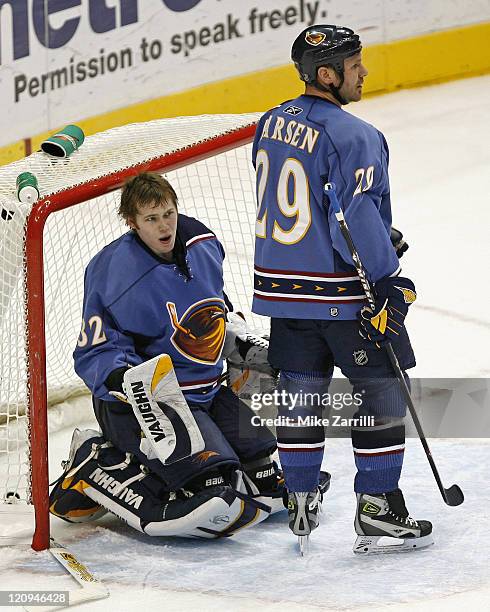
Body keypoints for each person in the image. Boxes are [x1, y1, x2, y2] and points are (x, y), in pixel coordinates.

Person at [251, 24, 433, 554]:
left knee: (301, 397)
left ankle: (301, 496)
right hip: (341, 296)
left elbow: (300, 199)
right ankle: (377, 508)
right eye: (355, 66)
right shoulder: (355, 135)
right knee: (378, 393)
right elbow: (350, 220)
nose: (365, 73)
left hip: (283, 296)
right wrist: (387, 283)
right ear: (327, 75)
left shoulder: (269, 123)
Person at [49, 172, 284, 538]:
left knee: (260, 459)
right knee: (209, 477)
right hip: (147, 403)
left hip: (207, 390)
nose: (164, 227)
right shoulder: (114, 270)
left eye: (168, 214)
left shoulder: (203, 245)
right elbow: (94, 348)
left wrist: (244, 342)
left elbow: (217, 308)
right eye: (151, 219)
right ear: (132, 222)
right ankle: (95, 461)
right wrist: (123, 381)